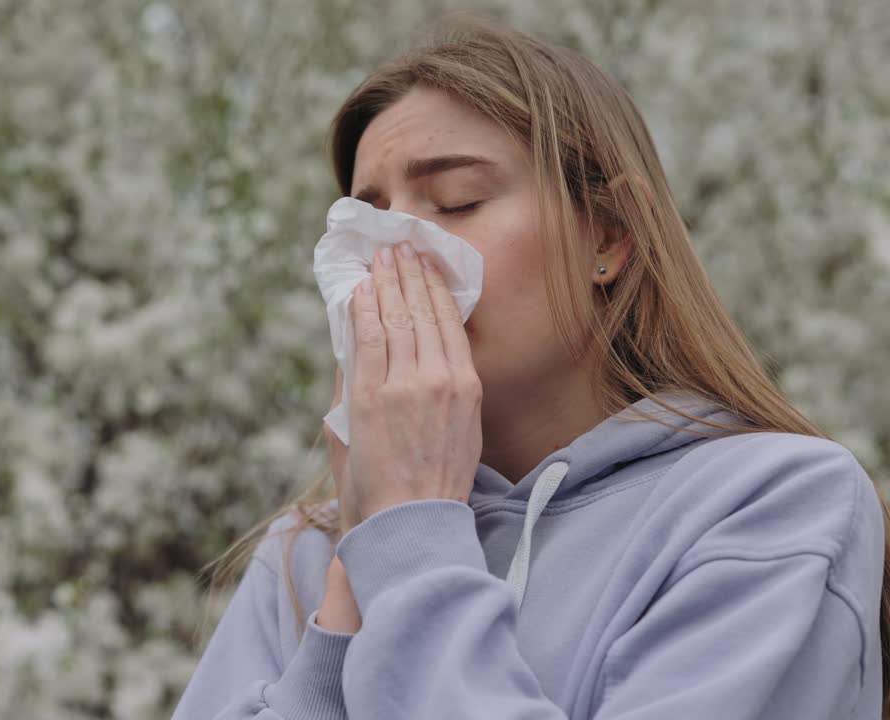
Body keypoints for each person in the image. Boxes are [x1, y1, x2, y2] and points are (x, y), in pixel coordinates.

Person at [171, 16, 888, 720]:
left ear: (609, 234)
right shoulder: (304, 552)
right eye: (365, 219)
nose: (394, 253)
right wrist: (350, 591)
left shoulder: (772, 504)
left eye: (457, 203)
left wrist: (409, 538)